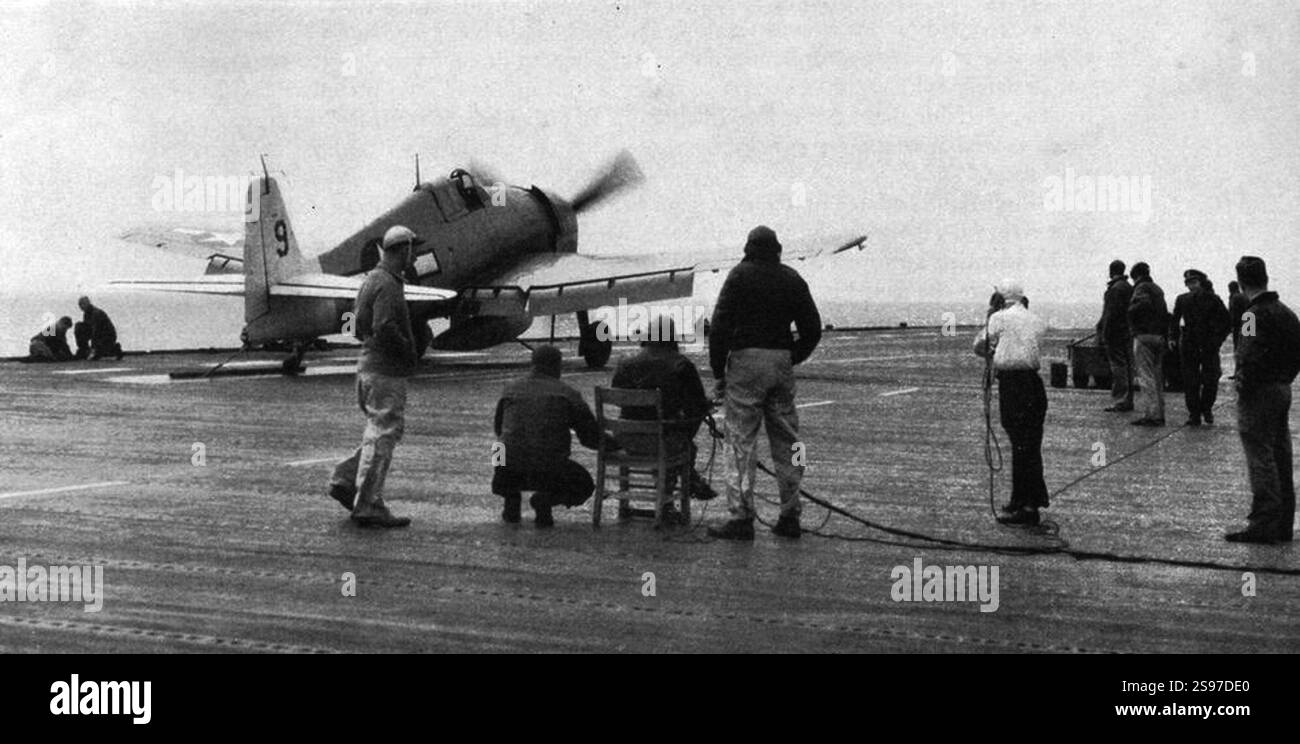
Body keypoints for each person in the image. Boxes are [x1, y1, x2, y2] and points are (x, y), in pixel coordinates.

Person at [706, 225, 822, 541]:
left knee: (741, 442)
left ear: (748, 248)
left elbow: (719, 327)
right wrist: (792, 356)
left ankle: (742, 517)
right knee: (788, 440)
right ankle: (790, 514)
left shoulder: (738, 276)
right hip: (781, 361)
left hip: (745, 362)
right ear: (777, 248)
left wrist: (719, 371)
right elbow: (813, 328)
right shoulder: (792, 278)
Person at [327, 225, 422, 528]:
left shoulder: (370, 280)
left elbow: (356, 327)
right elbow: (386, 327)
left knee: (378, 432)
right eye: (412, 249)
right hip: (385, 372)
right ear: (403, 249)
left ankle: (345, 480)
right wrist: (409, 351)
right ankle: (368, 504)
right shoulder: (390, 284)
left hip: (366, 368)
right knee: (384, 434)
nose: (415, 255)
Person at [492, 345, 617, 527]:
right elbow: (589, 437)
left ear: (532, 364)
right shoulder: (567, 394)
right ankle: (546, 500)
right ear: (558, 366)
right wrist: (617, 443)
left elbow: (498, 428)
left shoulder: (510, 389)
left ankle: (510, 497)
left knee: (500, 447)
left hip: (507, 466)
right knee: (584, 484)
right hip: (547, 465)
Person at [610, 315, 716, 528]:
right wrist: (707, 406)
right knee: (681, 442)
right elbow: (695, 406)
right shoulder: (681, 365)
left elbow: (617, 397)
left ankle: (684, 479)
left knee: (666, 435)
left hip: (625, 439)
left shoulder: (625, 364)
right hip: (661, 441)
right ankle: (669, 497)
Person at [1226, 256, 1300, 544]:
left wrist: (1244, 383)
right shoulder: (1287, 313)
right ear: (1265, 277)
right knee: (1280, 455)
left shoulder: (1250, 315)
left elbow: (1245, 353)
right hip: (1282, 388)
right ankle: (1283, 523)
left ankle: (1263, 523)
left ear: (1242, 282)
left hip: (1258, 393)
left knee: (1260, 455)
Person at [974, 280, 1050, 526]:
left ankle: (1027, 506)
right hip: (1033, 385)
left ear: (1002, 297)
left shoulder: (999, 319)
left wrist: (991, 314)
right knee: (1028, 445)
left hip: (1013, 387)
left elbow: (978, 346)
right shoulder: (1035, 319)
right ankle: (1024, 499)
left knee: (1020, 445)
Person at [1169, 269, 1231, 426]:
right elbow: (1175, 321)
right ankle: (1194, 414)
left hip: (1209, 344)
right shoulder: (1182, 299)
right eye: (1188, 283)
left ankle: (1206, 408)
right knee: (1191, 381)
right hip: (1189, 344)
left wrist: (1217, 341)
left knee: (1211, 379)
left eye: (1194, 282)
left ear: (1201, 282)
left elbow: (1226, 322)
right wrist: (1172, 338)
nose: (1191, 286)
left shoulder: (1213, 299)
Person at [1126, 262, 1168, 426]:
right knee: (1157, 377)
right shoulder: (1157, 288)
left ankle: (1151, 414)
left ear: (1135, 275)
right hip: (1159, 336)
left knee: (1146, 376)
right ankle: (1159, 413)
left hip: (1144, 335)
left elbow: (1141, 305)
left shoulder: (1141, 288)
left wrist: (1129, 312)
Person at [1096, 260, 1134, 412]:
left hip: (1114, 333)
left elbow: (1110, 314)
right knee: (1128, 366)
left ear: (1111, 271)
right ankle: (1128, 399)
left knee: (1118, 366)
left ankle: (1120, 400)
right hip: (1127, 332)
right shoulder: (1129, 287)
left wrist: (1103, 333)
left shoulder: (1114, 289)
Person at [76, 297, 123, 361]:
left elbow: (95, 331)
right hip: (99, 336)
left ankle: (113, 349)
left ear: (88, 303)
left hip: (106, 336)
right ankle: (85, 350)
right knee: (79, 326)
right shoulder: (86, 314)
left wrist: (93, 348)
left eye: (83, 304)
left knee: (98, 354)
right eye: (80, 305)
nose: (81, 307)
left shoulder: (96, 313)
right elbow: (87, 329)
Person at [1228, 280, 1249, 352]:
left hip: (1238, 325)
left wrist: (1230, 325)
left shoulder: (1234, 298)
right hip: (1247, 324)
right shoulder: (1244, 296)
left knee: (1238, 347)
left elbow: (1233, 313)